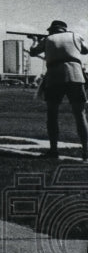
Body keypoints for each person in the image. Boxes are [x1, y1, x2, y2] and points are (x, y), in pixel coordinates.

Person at [28, 20, 88, 161]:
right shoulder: (75, 36)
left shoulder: (48, 39)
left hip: (55, 77)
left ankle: (53, 150)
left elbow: (32, 52)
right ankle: (86, 151)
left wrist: (35, 41)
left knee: (52, 114)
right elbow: (85, 50)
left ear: (52, 30)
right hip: (76, 76)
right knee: (80, 115)